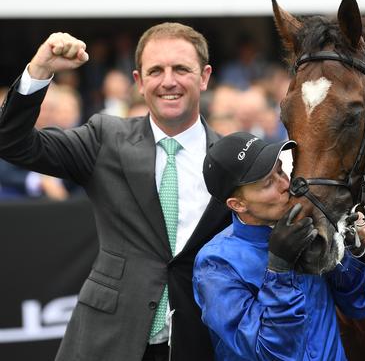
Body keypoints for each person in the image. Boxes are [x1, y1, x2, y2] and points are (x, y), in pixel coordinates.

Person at [0, 23, 231, 361]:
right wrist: (40, 69)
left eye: (181, 68)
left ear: (204, 76)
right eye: (156, 70)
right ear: (139, 81)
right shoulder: (104, 138)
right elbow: (12, 142)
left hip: (200, 340)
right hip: (109, 340)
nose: (169, 81)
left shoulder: (231, 158)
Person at [193, 131, 365, 360]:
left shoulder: (307, 226)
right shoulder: (215, 264)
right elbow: (271, 352)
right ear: (237, 204)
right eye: (268, 182)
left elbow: (359, 305)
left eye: (280, 170)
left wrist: (349, 249)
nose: (285, 184)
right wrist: (279, 270)